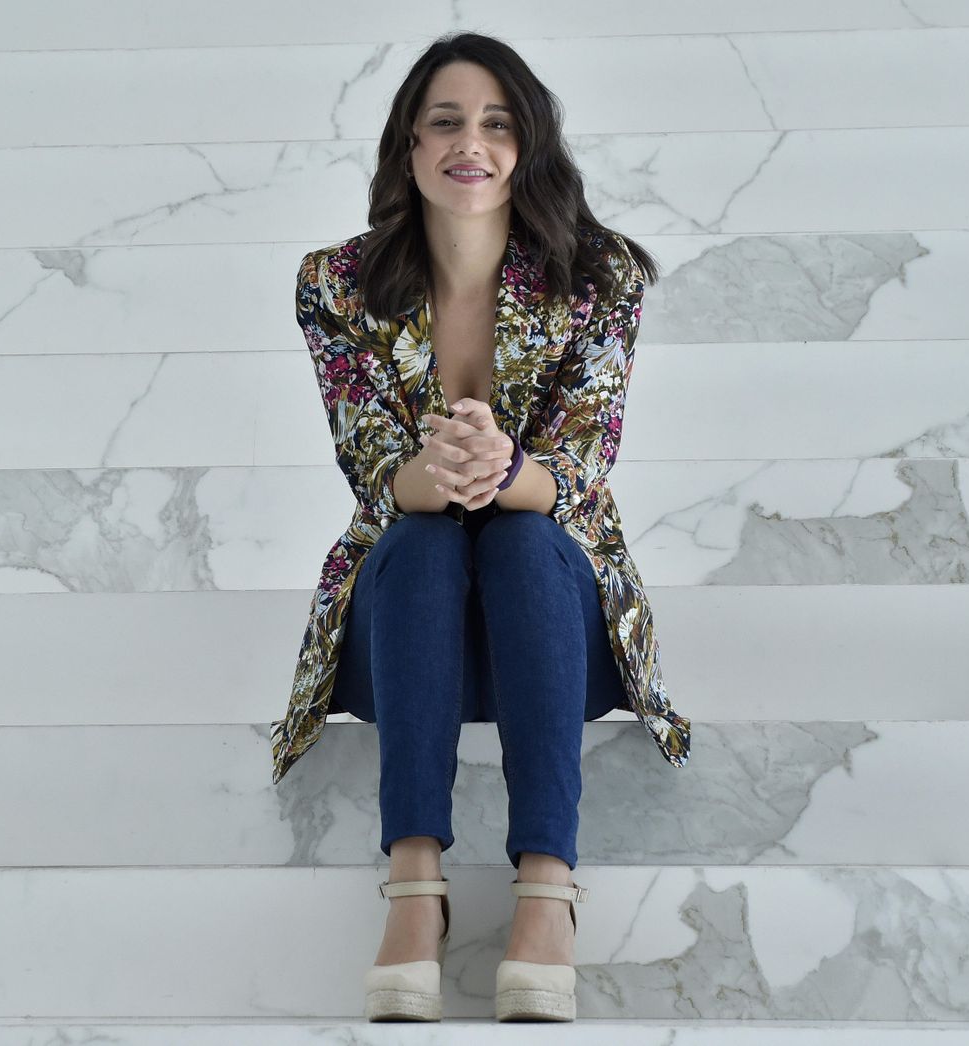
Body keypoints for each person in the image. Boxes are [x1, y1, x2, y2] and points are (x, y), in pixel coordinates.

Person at [270, 31, 692, 1022]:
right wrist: (431, 471)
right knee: (417, 540)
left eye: (498, 124)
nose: (473, 144)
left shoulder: (600, 276)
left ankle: (547, 886)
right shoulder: (334, 282)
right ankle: (415, 884)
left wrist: (504, 467)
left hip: (550, 621)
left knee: (517, 535)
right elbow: (371, 469)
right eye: (447, 121)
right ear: (408, 145)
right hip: (404, 628)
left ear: (529, 146)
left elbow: (579, 473)